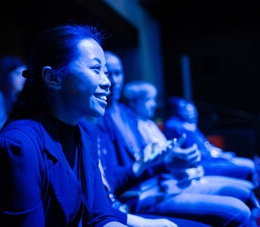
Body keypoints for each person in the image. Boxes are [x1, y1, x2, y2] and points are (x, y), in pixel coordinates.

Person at [0, 24, 128, 226]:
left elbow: (101, 217)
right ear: (53, 78)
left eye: (105, 72)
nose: (108, 82)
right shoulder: (18, 145)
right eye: (96, 69)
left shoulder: (88, 133)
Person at [97, 51, 256, 226]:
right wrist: (164, 164)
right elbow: (119, 178)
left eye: (118, 73)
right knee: (237, 210)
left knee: (245, 193)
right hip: (142, 195)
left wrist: (174, 166)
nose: (112, 80)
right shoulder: (99, 119)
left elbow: (150, 158)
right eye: (106, 73)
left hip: (163, 183)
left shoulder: (126, 113)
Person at [164, 97, 258, 183]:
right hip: (205, 164)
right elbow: (198, 154)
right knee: (248, 167)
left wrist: (221, 155)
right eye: (184, 110)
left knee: (250, 164)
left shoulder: (189, 126)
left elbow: (206, 146)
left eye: (193, 111)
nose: (192, 114)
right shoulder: (179, 126)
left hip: (211, 159)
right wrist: (221, 157)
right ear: (174, 111)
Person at [0, 56, 27, 129]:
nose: (23, 79)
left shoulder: (19, 97)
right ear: (6, 75)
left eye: (24, 75)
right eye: (18, 73)